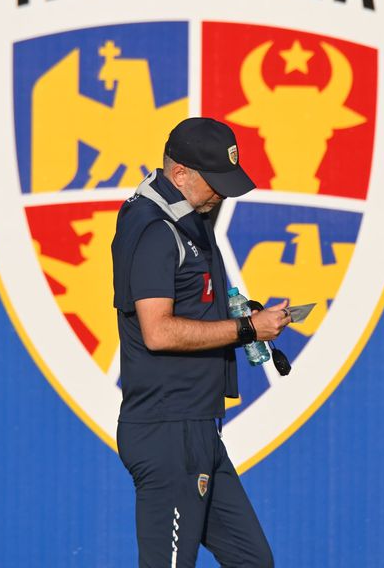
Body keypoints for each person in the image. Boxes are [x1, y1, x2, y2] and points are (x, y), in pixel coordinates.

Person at [111, 117, 291, 567]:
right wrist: (248, 330)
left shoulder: (187, 217)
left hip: (196, 429)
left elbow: (192, 302)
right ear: (180, 175)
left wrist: (240, 312)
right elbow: (159, 330)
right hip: (167, 430)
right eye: (216, 183)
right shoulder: (154, 228)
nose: (223, 194)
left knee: (253, 561)